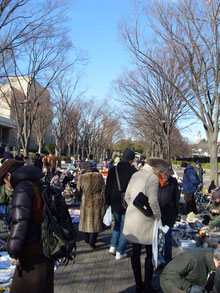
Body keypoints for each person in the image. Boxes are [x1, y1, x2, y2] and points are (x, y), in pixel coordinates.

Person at [0, 159, 54, 293]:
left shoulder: (22, 188)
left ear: (8, 175)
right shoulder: (37, 182)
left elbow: (20, 222)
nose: (7, 185)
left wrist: (14, 251)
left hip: (31, 251)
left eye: (5, 182)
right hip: (45, 246)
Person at [123, 157, 170, 293]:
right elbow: (153, 202)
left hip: (132, 218)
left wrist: (134, 207)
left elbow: (126, 196)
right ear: (157, 169)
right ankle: (148, 285)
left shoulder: (135, 174)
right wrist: (157, 217)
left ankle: (138, 285)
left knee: (135, 252)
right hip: (147, 221)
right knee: (150, 253)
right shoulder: (152, 178)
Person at [105, 148, 137, 260]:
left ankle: (113, 246)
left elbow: (108, 186)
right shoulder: (134, 172)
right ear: (131, 159)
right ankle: (120, 251)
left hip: (114, 200)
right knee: (125, 226)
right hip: (127, 202)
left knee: (117, 224)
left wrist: (107, 201)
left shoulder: (113, 169)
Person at [77, 161, 105, 249]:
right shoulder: (99, 176)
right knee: (96, 220)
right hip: (97, 199)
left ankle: (87, 239)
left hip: (86, 199)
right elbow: (103, 188)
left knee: (86, 219)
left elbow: (78, 189)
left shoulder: (82, 177)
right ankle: (93, 242)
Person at [157, 164, 179, 264]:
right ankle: (158, 257)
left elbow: (176, 199)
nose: (167, 176)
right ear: (161, 172)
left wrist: (175, 213)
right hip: (157, 214)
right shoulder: (155, 181)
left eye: (169, 174)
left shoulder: (173, 182)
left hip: (169, 213)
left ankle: (168, 259)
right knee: (158, 238)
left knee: (168, 238)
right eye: (166, 174)